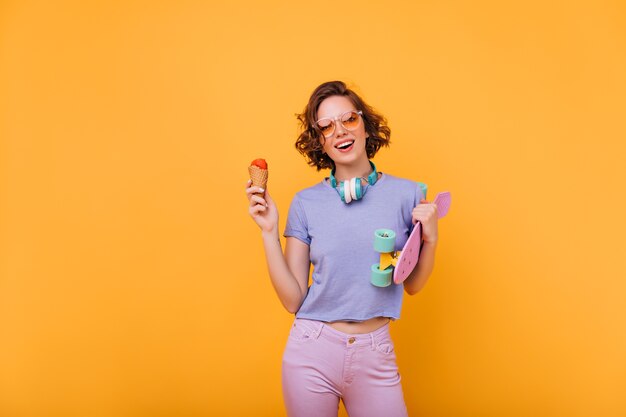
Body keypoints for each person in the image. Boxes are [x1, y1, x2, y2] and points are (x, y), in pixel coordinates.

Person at [245, 81, 439, 417]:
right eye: (326, 126)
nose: (339, 131)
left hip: (375, 351)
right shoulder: (305, 203)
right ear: (319, 140)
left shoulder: (407, 195)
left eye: (348, 119)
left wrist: (431, 239)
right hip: (312, 350)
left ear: (365, 126)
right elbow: (293, 299)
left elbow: (413, 284)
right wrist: (268, 231)